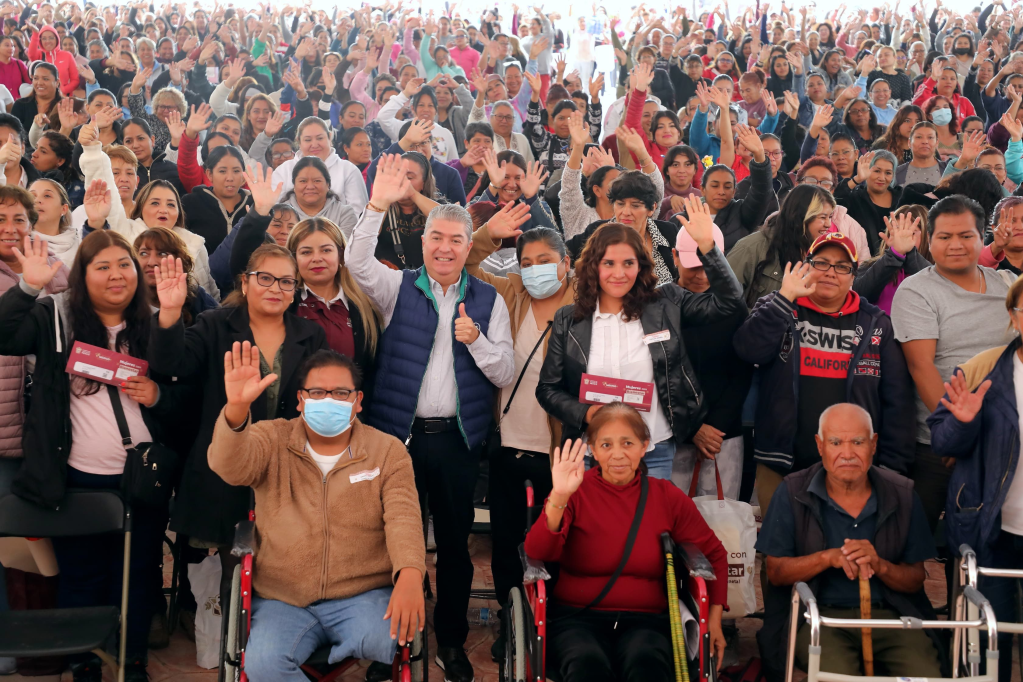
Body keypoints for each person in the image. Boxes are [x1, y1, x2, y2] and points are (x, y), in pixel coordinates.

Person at [346, 154, 514, 682]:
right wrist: (375, 205)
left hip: (458, 444)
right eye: (436, 238)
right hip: (398, 440)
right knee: (394, 545)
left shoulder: (488, 299)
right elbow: (356, 264)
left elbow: (505, 370)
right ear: (424, 242)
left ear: (470, 246)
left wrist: (479, 343)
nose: (445, 248)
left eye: (456, 240)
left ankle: (452, 642)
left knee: (457, 549)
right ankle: (391, 641)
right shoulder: (398, 287)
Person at [0, 229, 176, 682]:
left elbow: (187, 393)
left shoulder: (158, 323)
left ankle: (131, 657)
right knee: (82, 576)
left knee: (137, 576)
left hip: (141, 477)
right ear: (83, 274)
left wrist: (157, 395)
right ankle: (84, 661)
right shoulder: (54, 316)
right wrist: (27, 285)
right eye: (103, 266)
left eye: (125, 265)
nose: (117, 275)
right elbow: (4, 335)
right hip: (77, 476)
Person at [148, 243, 328, 661]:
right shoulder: (214, 325)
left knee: (282, 564)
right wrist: (170, 313)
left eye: (286, 281)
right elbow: (168, 363)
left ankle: (278, 650)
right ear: (245, 282)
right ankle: (240, 654)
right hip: (225, 470)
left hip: (284, 473)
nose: (275, 288)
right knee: (235, 567)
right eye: (265, 278)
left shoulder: (309, 334)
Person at [208, 347, 426, 682]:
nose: (329, 400)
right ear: (300, 399)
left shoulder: (386, 451)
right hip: (284, 597)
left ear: (358, 401)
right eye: (318, 392)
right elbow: (229, 466)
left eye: (341, 393)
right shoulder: (272, 438)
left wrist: (410, 575)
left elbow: (403, 518)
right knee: (262, 664)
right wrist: (236, 410)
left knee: (394, 637)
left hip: (362, 593)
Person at [537, 201, 745, 480]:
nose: (619, 273)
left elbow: (729, 302)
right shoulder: (569, 319)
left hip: (654, 451)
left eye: (628, 263)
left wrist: (708, 248)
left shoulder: (667, 302)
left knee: (649, 525)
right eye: (608, 263)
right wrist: (586, 413)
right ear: (593, 266)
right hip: (590, 454)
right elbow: (547, 389)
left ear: (641, 266)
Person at [523, 402, 729, 682]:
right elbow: (537, 552)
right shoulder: (575, 491)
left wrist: (714, 622)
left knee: (647, 665)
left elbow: (714, 554)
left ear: (644, 446)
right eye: (606, 445)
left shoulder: (665, 496)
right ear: (592, 450)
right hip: (577, 619)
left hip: (646, 622)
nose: (617, 454)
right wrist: (558, 496)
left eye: (627, 443)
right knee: (586, 666)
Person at [734, 230, 916, 515]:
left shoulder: (876, 324)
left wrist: (893, 467)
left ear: (854, 275)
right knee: (781, 552)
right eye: (822, 263)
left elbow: (897, 400)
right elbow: (749, 350)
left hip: (852, 465)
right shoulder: (779, 305)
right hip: (781, 459)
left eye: (842, 267)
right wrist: (784, 299)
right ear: (806, 266)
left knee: (845, 554)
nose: (831, 272)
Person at [459, 215, 575, 661]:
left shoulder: (584, 302)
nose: (535, 269)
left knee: (558, 540)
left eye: (545, 260)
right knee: (507, 544)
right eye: (527, 261)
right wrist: (488, 233)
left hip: (559, 450)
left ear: (566, 264)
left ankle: (557, 624)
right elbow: (464, 266)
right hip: (508, 442)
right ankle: (513, 622)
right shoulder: (510, 293)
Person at [757, 403, 942, 679]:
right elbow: (777, 572)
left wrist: (881, 565)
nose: (847, 453)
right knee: (836, 676)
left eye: (858, 442)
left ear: (873, 444)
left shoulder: (902, 494)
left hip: (891, 616)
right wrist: (827, 558)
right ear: (820, 446)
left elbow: (916, 578)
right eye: (835, 442)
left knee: (925, 674)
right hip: (820, 618)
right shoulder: (793, 492)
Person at [891, 195, 1016, 532]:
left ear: (982, 238)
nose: (956, 245)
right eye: (944, 237)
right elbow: (922, 367)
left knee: (983, 549)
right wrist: (953, 432)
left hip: (1001, 441)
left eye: (966, 236)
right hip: (938, 443)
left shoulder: (1005, 285)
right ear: (929, 241)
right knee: (912, 545)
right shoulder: (917, 291)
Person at [928, 274, 1023, 682]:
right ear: (1014, 317)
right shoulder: (984, 369)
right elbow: (942, 442)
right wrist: (964, 423)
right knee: (989, 647)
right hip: (993, 532)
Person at [78, 120, 220, 301]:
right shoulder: (125, 232)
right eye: (155, 203)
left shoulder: (196, 244)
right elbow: (107, 194)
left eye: (171, 204)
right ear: (141, 208)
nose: (164, 210)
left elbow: (211, 297)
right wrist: (92, 152)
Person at [670, 223, 752, 499]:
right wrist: (692, 428)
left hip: (723, 435)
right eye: (692, 265)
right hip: (673, 433)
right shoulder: (661, 304)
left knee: (721, 529)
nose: (700, 275)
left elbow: (742, 371)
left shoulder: (734, 306)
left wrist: (715, 427)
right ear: (674, 257)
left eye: (707, 264)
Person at [728, 185, 837, 308]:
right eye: (823, 217)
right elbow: (726, 303)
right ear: (801, 217)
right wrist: (760, 321)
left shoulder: (822, 254)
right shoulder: (751, 247)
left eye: (830, 217)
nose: (828, 224)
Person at [567, 168, 676, 285]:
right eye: (620, 204)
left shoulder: (668, 231)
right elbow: (562, 255)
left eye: (635, 206)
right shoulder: (597, 232)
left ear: (652, 208)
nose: (626, 212)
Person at [271, 117, 368, 211]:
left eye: (320, 138)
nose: (314, 144)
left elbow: (358, 214)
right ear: (299, 142)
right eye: (308, 140)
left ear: (330, 137)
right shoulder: (283, 170)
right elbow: (274, 211)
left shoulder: (348, 170)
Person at [853, 205, 933, 314]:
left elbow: (936, 292)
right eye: (897, 232)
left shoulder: (939, 270)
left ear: (927, 236)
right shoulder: (870, 265)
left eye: (910, 233)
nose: (901, 238)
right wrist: (895, 255)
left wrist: (909, 252)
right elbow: (858, 296)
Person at [133, 227, 218, 326]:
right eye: (143, 253)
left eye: (162, 253)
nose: (151, 262)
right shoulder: (127, 301)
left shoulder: (197, 297)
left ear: (180, 260)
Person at [180, 145, 253, 254]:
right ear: (209, 174)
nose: (230, 178)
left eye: (236, 171)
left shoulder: (255, 204)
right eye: (222, 171)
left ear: (243, 175)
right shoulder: (191, 203)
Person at [835, 150, 904, 258]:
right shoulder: (855, 198)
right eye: (876, 171)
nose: (882, 178)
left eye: (888, 173)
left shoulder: (902, 197)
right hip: (864, 264)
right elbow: (836, 199)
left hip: (899, 261)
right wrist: (858, 179)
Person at [27, 177, 78, 265]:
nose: (37, 200)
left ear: (64, 209)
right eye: (32, 196)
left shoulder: (79, 244)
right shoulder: (19, 243)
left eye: (47, 196)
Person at [981, 198, 1023, 276]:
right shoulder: (979, 264)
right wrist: (996, 247)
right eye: (1011, 221)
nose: (1020, 227)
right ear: (994, 228)